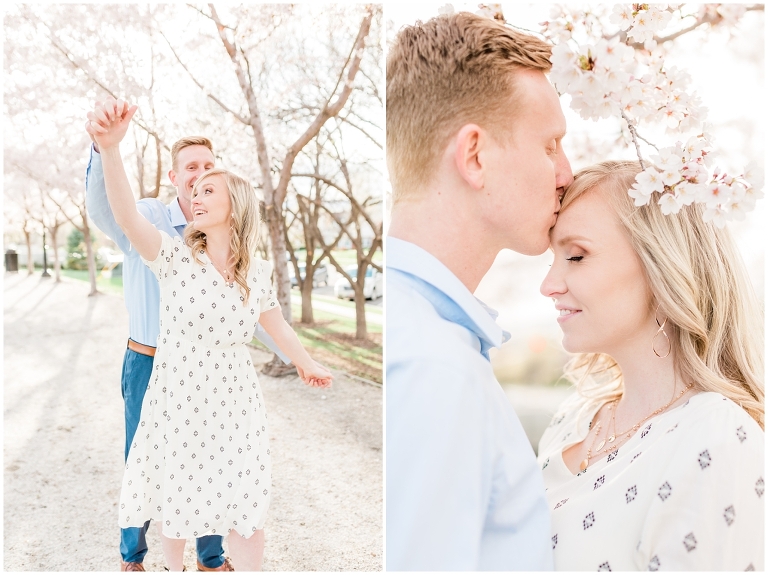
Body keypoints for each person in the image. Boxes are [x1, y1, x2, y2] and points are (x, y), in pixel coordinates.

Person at [86, 99, 333, 571]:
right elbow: (125, 216)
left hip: (235, 398)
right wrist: (110, 150)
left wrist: (306, 362)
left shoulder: (255, 272)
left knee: (242, 496)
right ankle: (152, 563)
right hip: (177, 390)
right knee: (175, 491)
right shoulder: (174, 258)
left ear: (234, 205)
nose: (196, 196)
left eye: (208, 189)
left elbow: (274, 322)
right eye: (193, 187)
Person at [385, 12, 573, 570]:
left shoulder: (428, 341)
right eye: (550, 146)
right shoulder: (433, 367)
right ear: (475, 156)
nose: (566, 172)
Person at [538, 160, 764, 571]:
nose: (548, 285)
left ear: (662, 266)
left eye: (576, 256)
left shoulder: (716, 439)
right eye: (552, 258)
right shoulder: (574, 419)